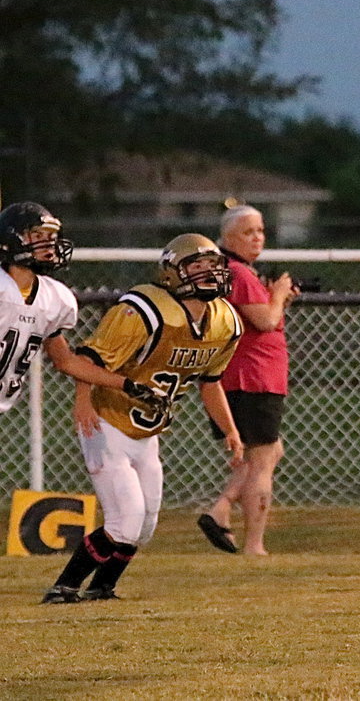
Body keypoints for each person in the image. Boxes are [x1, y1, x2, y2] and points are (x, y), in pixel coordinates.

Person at [42, 233, 244, 604]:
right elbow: (89, 360)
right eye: (196, 267)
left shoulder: (225, 321)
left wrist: (229, 429)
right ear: (172, 273)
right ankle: (63, 587)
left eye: (213, 266)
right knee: (126, 520)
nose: (209, 275)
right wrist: (82, 401)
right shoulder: (144, 309)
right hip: (108, 419)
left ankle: (102, 587)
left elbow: (210, 382)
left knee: (145, 525)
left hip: (147, 431)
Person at [197, 204, 296, 556]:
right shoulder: (236, 272)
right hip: (252, 376)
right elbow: (266, 320)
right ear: (226, 237)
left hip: (245, 376)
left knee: (269, 452)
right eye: (248, 232)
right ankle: (254, 544)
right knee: (262, 459)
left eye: (261, 231)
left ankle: (221, 508)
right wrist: (279, 295)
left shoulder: (235, 272)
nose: (257, 238)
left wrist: (273, 296)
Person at [0, 201, 141, 409]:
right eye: (38, 236)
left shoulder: (51, 298)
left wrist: (126, 384)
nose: (48, 244)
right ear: (11, 238)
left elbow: (65, 361)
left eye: (50, 237)